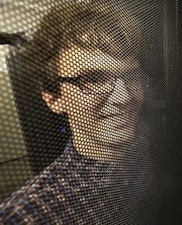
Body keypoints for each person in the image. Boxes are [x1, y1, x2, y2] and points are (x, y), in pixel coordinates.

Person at [0, 1, 159, 224]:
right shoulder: (29, 214)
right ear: (54, 98)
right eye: (93, 79)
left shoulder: (150, 156)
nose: (124, 97)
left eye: (131, 76)